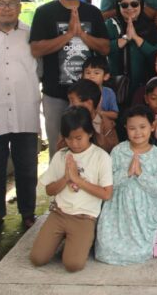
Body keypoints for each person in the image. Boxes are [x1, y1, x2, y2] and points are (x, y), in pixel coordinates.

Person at [30, 0, 109, 160]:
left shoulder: (93, 12)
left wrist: (82, 34)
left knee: (90, 148)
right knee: (58, 148)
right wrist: (68, 35)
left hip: (88, 95)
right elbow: (36, 49)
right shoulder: (44, 12)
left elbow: (105, 48)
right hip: (55, 94)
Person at [0, 0, 40, 237]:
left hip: (25, 108)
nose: (6, 8)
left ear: (20, 7)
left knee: (27, 166)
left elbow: (40, 67)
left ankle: (28, 212)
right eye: (1, 3)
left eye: (12, 3)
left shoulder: (31, 34)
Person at [30, 106, 113, 272]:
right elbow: (49, 190)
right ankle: (65, 239)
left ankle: (72, 241)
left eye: (79, 138)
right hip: (59, 214)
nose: (74, 143)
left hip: (84, 218)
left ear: (90, 133)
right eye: (69, 138)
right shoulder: (61, 155)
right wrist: (66, 178)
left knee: (73, 265)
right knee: (37, 258)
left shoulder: (101, 157)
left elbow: (106, 194)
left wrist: (77, 180)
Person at [95, 104, 157, 265]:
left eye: (142, 127)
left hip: (145, 213)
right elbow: (107, 183)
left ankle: (154, 238)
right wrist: (126, 173)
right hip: (118, 209)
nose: (138, 132)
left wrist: (141, 173)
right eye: (132, 128)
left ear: (152, 126)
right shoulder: (118, 151)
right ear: (125, 129)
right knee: (106, 248)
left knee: (142, 248)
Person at [105, 0, 157, 107]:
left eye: (134, 4)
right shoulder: (111, 25)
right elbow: (101, 50)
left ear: (141, 4)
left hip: (145, 88)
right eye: (124, 5)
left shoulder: (149, 26)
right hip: (118, 87)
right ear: (118, 6)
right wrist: (125, 39)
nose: (130, 8)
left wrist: (137, 38)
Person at [67, 79, 119, 154]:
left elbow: (113, 151)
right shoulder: (69, 121)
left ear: (88, 104)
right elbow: (61, 148)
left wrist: (98, 132)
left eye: (72, 101)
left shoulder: (107, 125)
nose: (70, 106)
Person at [82, 56, 118, 123]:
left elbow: (115, 115)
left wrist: (99, 112)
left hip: (103, 124)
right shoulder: (79, 91)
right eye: (88, 73)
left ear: (106, 76)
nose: (91, 76)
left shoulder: (109, 92)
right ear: (82, 75)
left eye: (96, 73)